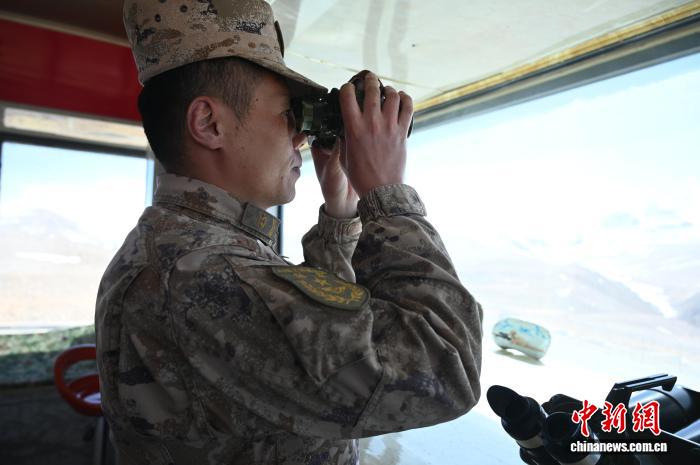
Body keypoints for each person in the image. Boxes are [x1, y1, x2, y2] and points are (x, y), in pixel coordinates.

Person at [95, 1, 483, 464]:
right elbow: (443, 369)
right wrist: (387, 193)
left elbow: (324, 334)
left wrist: (342, 211)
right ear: (209, 124)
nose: (300, 137)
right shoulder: (201, 272)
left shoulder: (188, 245)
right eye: (288, 115)